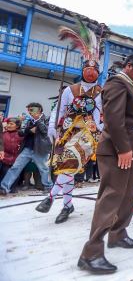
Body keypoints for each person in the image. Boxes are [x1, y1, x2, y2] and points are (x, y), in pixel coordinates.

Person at [78, 53, 133, 274]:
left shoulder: (131, 86)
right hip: (119, 152)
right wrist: (123, 148)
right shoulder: (116, 83)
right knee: (111, 197)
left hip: (131, 151)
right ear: (129, 67)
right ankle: (90, 253)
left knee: (127, 195)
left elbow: (131, 117)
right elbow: (113, 118)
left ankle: (118, 234)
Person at [36, 48, 103, 223]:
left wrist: (101, 129)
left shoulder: (102, 93)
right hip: (68, 132)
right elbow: (58, 111)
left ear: (98, 73)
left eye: (94, 70)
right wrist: (53, 129)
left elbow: (103, 116)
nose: (90, 73)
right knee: (67, 168)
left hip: (89, 133)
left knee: (71, 161)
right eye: (87, 70)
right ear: (82, 71)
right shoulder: (69, 90)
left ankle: (51, 197)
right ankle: (67, 206)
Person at [0, 103, 52, 195]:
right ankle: (4, 188)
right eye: (29, 110)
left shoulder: (47, 119)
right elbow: (21, 132)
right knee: (15, 168)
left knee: (43, 169)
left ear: (39, 110)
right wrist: (29, 129)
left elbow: (45, 131)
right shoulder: (29, 120)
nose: (30, 112)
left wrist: (38, 121)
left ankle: (48, 187)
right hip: (27, 148)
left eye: (32, 110)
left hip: (40, 149)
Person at [0, 118, 22, 183]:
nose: (8, 125)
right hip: (3, 159)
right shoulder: (3, 134)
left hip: (15, 160)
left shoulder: (21, 135)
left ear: (17, 126)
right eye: (8, 124)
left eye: (11, 124)